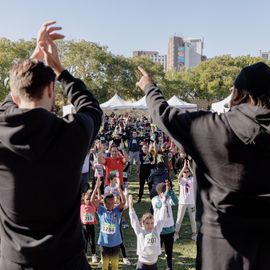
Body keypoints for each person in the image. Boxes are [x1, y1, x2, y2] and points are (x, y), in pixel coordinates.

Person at [137, 63, 270, 270]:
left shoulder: (215, 130)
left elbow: (164, 115)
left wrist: (149, 87)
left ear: (236, 95)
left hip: (220, 249)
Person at [0, 22, 102, 270]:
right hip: (66, 262)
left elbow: (7, 104)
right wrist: (59, 69)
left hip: (15, 263)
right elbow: (91, 107)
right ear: (51, 90)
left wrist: (32, 58)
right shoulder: (73, 133)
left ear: (14, 96)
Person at [92, 178, 126, 270]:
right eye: (108, 203)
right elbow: (92, 201)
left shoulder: (117, 211)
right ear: (104, 204)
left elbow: (123, 202)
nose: (110, 205)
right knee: (105, 266)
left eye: (112, 203)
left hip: (115, 243)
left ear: (114, 202)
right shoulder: (101, 211)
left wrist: (119, 188)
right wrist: (96, 187)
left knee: (115, 266)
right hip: (104, 244)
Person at [128, 194, 166, 270]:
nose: (150, 225)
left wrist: (164, 204)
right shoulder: (140, 231)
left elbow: (162, 219)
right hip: (142, 265)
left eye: (152, 223)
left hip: (154, 265)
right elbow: (134, 220)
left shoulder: (156, 230)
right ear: (142, 223)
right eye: (147, 223)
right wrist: (131, 207)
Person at [152, 182, 178, 270]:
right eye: (164, 191)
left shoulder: (168, 197)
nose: (165, 192)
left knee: (169, 251)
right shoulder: (155, 199)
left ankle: (169, 267)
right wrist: (166, 193)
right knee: (156, 251)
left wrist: (171, 191)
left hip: (170, 229)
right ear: (160, 192)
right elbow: (159, 205)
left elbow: (175, 202)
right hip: (159, 230)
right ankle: (153, 266)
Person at [174, 160, 196, 242]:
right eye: (185, 172)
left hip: (191, 202)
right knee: (179, 218)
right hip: (182, 202)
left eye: (187, 172)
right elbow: (179, 177)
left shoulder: (192, 179)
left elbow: (195, 175)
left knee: (193, 219)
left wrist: (189, 167)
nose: (186, 173)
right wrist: (183, 167)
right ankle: (176, 234)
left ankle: (194, 234)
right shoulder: (182, 180)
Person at [80, 190, 101, 263]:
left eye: (89, 199)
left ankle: (93, 255)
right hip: (84, 227)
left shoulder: (93, 206)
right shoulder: (81, 207)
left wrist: (98, 189)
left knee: (92, 242)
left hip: (91, 226)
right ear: (84, 200)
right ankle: (84, 255)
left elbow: (99, 199)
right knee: (84, 242)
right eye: (87, 199)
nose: (88, 201)